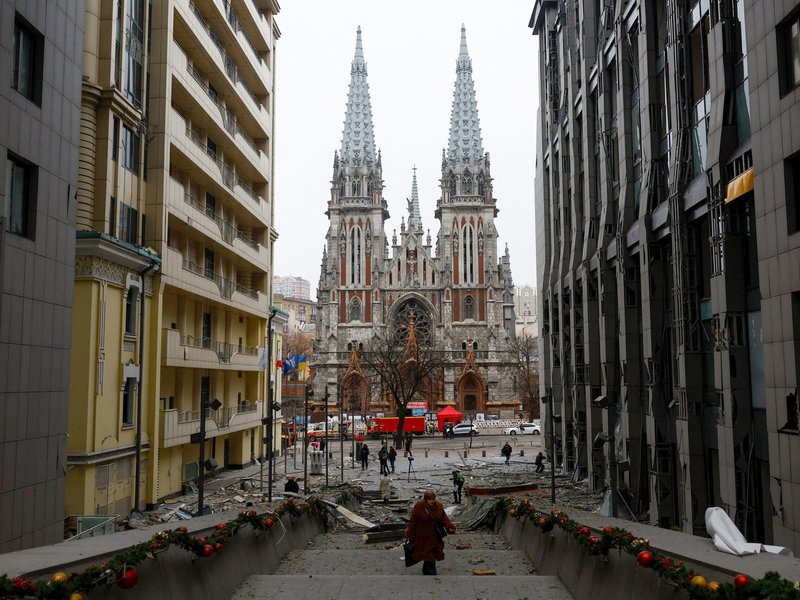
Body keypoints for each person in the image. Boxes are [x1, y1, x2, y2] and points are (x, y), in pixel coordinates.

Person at [405, 490, 456, 575]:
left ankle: (428, 568)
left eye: (433, 499)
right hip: (422, 534)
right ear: (425, 499)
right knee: (426, 552)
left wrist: (450, 527)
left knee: (433, 551)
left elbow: (444, 518)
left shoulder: (439, 506)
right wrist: (409, 532)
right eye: (429, 499)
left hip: (435, 534)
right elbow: (413, 521)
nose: (432, 501)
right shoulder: (419, 506)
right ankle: (429, 570)